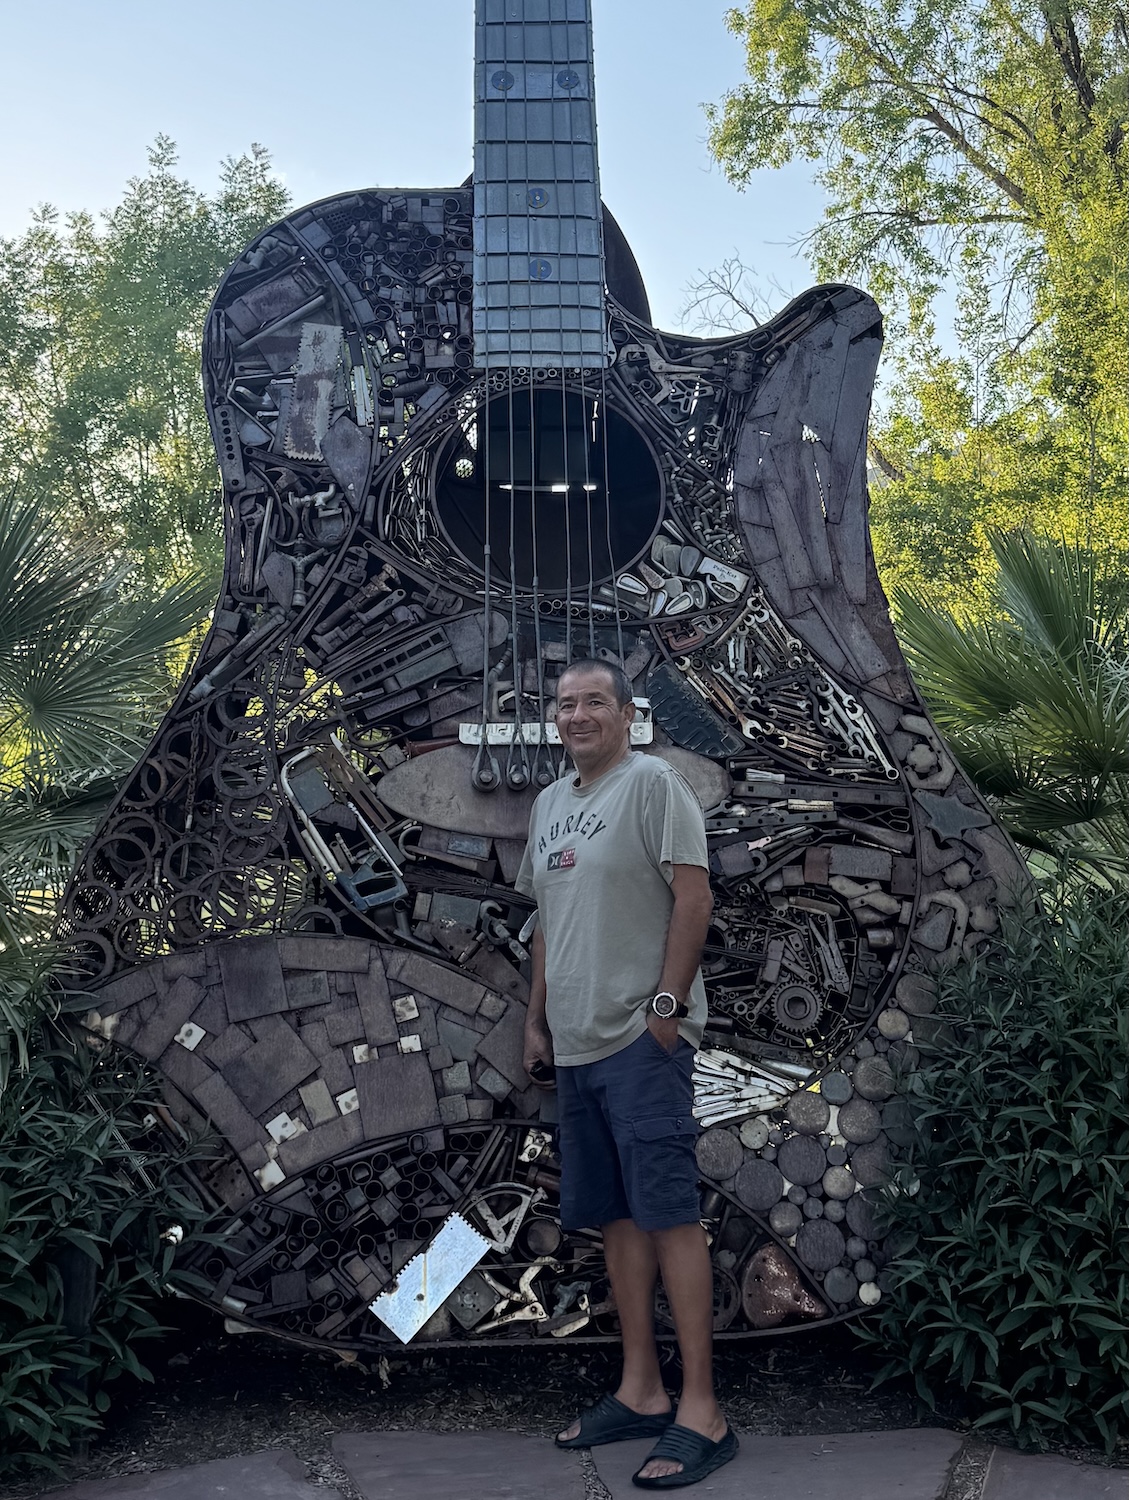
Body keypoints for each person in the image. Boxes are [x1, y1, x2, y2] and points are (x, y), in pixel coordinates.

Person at [516, 659, 737, 1491]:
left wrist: (665, 1012)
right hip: (574, 1047)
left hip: (640, 1044)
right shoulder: (548, 805)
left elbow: (693, 897)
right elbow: (545, 922)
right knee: (614, 1219)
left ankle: (702, 1413)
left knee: (668, 1215)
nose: (577, 715)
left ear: (626, 713)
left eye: (593, 702)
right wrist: (534, 1018)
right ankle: (641, 1391)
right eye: (565, 704)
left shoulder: (653, 786)